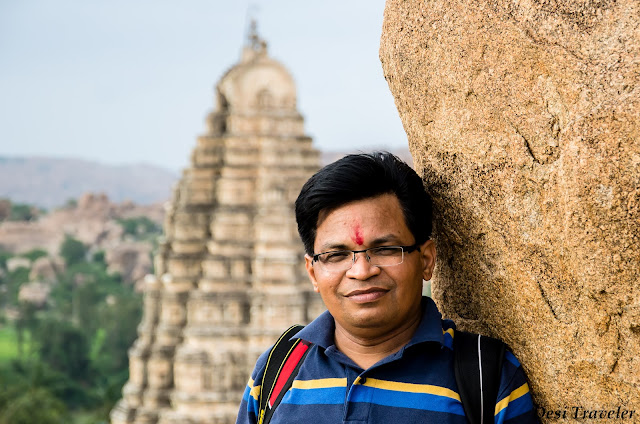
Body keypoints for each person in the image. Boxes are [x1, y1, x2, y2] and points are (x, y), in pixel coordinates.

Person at [236, 152, 538, 424]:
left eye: (385, 249)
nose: (362, 271)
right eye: (336, 255)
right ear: (313, 272)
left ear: (427, 260)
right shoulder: (278, 370)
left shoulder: (488, 376)